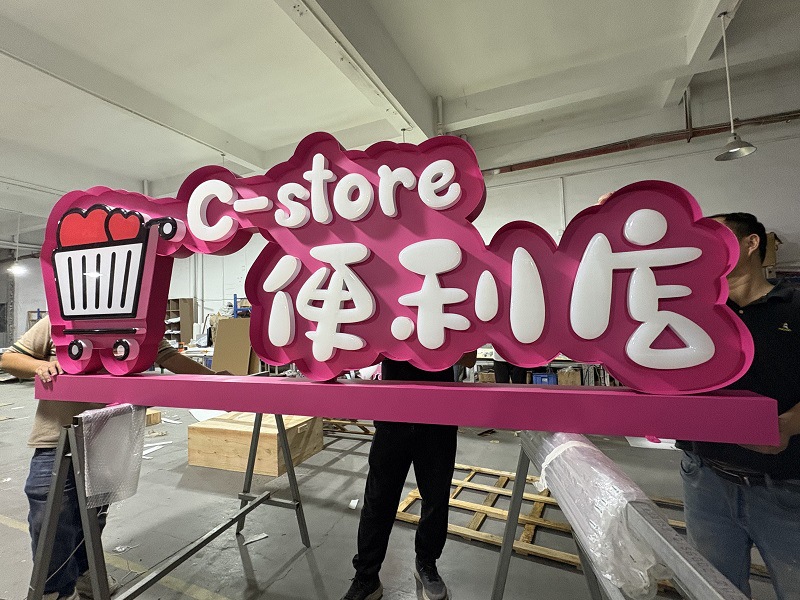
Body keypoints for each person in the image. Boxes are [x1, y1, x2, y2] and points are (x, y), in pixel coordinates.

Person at [0, 315, 217, 600]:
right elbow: (9, 359)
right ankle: (56, 590)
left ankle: (85, 573)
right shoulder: (60, 320)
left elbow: (169, 357)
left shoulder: (138, 323)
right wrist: (39, 366)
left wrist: (218, 379)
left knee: (93, 514)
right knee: (49, 512)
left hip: (108, 436)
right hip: (57, 435)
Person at [677, 213, 800, 600]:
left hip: (783, 485)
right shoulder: (693, 310)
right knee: (713, 590)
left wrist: (789, 424)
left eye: (715, 235)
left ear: (751, 243)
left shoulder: (794, 306)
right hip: (705, 477)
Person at [342, 353, 476, 600]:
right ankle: (367, 576)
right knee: (378, 499)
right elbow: (367, 353)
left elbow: (469, 358)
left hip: (438, 416)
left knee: (435, 498)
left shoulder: (454, 321)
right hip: (394, 413)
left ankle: (426, 563)